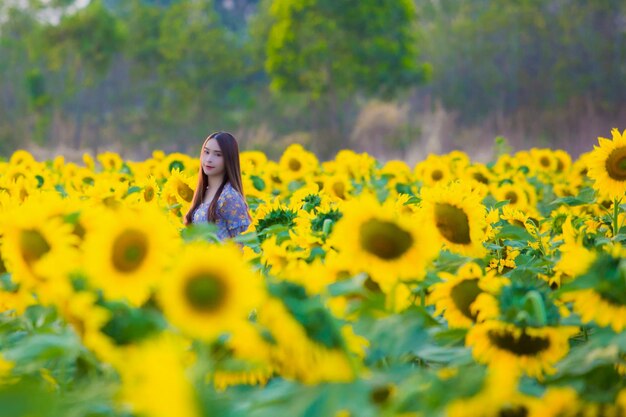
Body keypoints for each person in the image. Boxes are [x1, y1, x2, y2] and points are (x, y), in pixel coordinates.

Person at [184, 132, 251, 241]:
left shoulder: (229, 197)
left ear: (229, 160)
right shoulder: (204, 192)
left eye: (218, 154)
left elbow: (244, 244)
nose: (209, 159)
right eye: (206, 152)